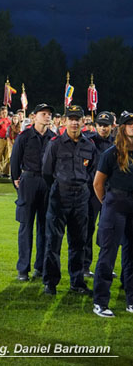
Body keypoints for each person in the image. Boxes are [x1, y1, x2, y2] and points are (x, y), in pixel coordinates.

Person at [42, 105, 97, 295]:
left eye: (78, 119)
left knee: (79, 242)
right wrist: (58, 189)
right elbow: (47, 172)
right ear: (64, 121)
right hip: (59, 197)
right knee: (53, 242)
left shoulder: (89, 145)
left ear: (83, 122)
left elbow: (92, 172)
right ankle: (50, 283)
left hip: (81, 198)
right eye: (71, 118)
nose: (74, 122)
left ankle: (77, 282)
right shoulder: (55, 144)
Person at [92, 111, 133, 317]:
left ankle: (131, 300)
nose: (132, 126)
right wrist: (108, 204)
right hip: (115, 205)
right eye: (129, 123)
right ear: (122, 128)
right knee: (108, 255)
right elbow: (97, 184)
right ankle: (100, 302)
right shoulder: (111, 153)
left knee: (131, 256)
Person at [10, 104, 56, 281]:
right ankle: (23, 269)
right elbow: (15, 158)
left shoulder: (53, 138)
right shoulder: (25, 136)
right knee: (26, 226)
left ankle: (41, 267)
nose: (47, 117)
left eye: (49, 114)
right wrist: (16, 180)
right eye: (43, 114)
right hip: (28, 181)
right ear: (34, 116)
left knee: (45, 227)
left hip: (47, 182)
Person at [83, 111, 115, 277]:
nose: (103, 128)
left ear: (112, 126)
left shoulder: (117, 143)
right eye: (100, 125)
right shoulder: (89, 142)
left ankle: (106, 267)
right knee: (87, 229)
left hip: (112, 192)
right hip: (91, 191)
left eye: (106, 125)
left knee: (109, 231)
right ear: (95, 126)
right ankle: (85, 266)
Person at [0, 106, 11, 178]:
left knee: (7, 157)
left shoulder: (9, 120)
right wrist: (0, 124)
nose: (4, 114)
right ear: (0, 113)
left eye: (5, 112)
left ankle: (5, 172)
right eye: (3, 112)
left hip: (8, 139)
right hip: (0, 139)